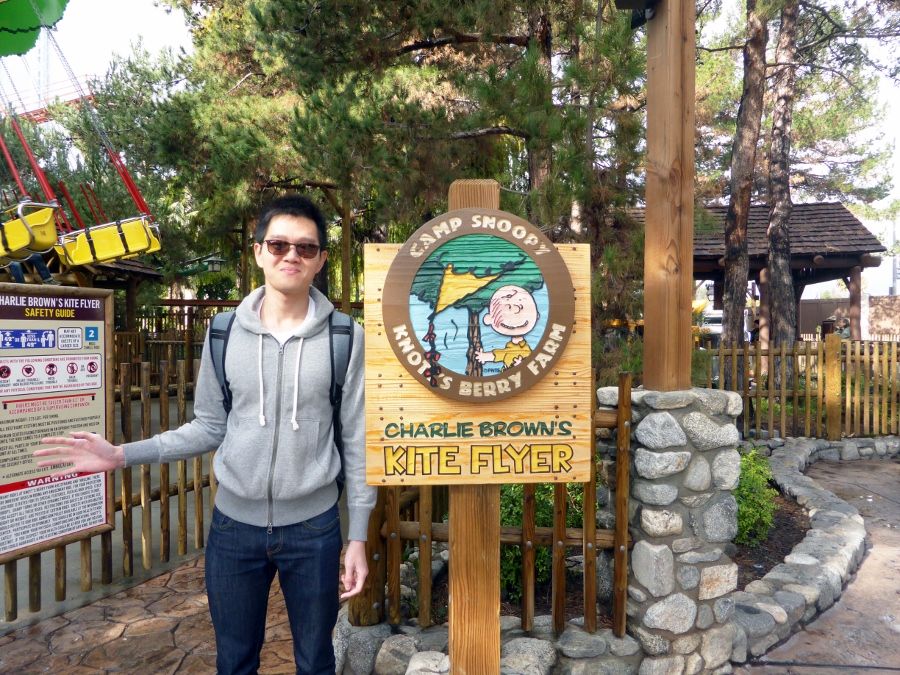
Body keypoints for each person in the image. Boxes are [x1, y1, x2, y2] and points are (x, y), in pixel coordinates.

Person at [36, 195, 375, 675]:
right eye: (278, 245)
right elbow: (209, 426)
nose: (291, 256)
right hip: (233, 528)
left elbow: (357, 440)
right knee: (234, 663)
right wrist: (121, 454)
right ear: (258, 252)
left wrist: (357, 535)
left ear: (320, 260)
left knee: (316, 662)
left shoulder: (345, 337)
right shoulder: (223, 332)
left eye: (305, 247)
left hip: (314, 528)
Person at [474, 285, 541, 369]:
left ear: (536, 315)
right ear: (489, 319)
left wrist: (523, 364)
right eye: (508, 307)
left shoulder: (525, 349)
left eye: (521, 306)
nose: (516, 310)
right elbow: (498, 354)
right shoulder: (509, 350)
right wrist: (484, 357)